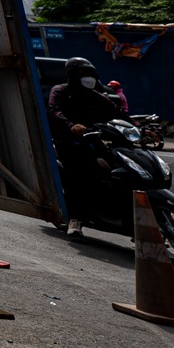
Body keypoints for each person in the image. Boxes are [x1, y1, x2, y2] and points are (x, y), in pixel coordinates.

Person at [48, 56, 121, 236]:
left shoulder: (95, 95)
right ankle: (75, 218)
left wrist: (139, 126)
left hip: (92, 139)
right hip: (67, 141)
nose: (89, 77)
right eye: (84, 73)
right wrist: (71, 125)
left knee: (118, 166)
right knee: (78, 176)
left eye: (91, 74)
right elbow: (55, 111)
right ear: (73, 75)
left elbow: (116, 111)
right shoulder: (60, 91)